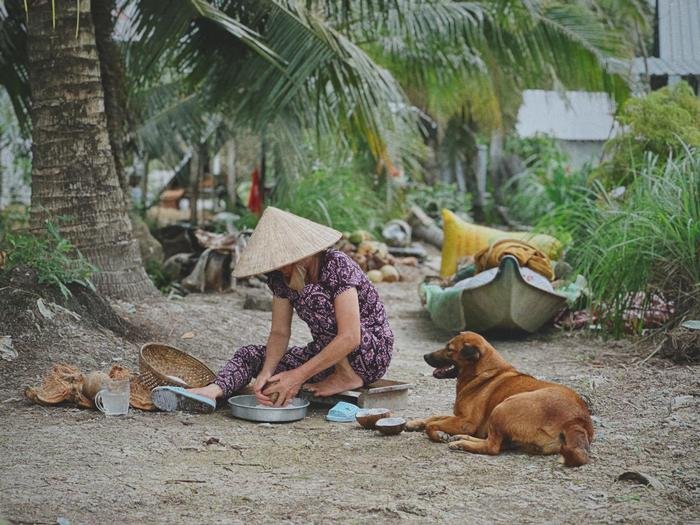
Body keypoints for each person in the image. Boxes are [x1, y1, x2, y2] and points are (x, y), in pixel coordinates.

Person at [152, 207, 394, 413]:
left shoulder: (336, 265)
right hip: (328, 354)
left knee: (314, 297)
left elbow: (350, 337)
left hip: (368, 352)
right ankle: (210, 392)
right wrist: (266, 373)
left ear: (303, 253)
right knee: (251, 355)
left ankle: (347, 375)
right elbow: (279, 333)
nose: (280, 270)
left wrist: (297, 376)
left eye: (284, 262)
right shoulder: (280, 279)